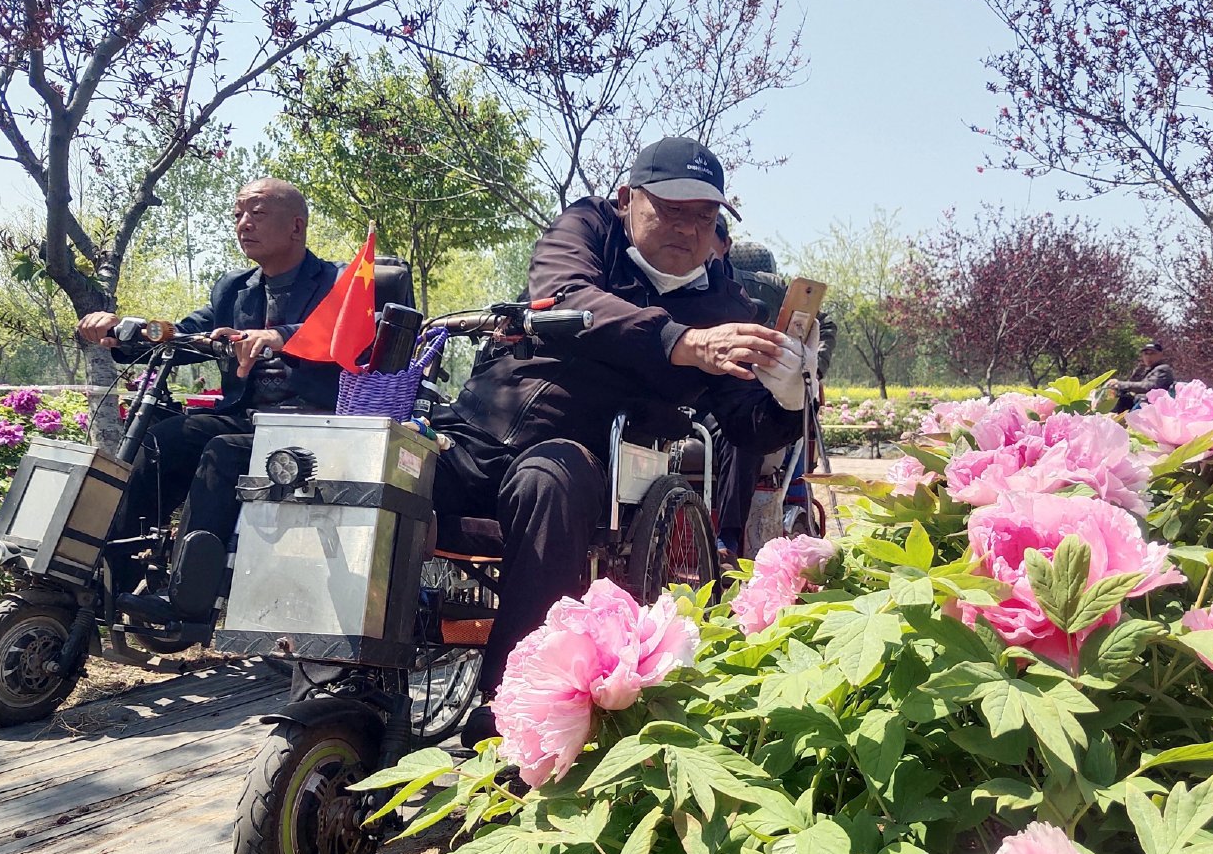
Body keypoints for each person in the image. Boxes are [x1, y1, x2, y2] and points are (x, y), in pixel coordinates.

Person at [432, 136, 812, 744]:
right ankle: (348, 676)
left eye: (705, 216)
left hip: (586, 460)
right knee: (384, 468)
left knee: (548, 480)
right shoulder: (584, 228)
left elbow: (745, 422)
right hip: (483, 427)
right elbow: (567, 296)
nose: (689, 229)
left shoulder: (726, 302)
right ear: (627, 200)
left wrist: (789, 392)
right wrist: (682, 344)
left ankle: (511, 705)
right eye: (672, 209)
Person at [76, 177, 339, 622]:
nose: (243, 223)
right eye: (237, 214)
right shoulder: (233, 288)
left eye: (256, 213)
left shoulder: (338, 281)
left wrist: (279, 336)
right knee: (165, 439)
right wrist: (120, 332)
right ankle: (107, 578)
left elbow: (351, 333)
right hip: (247, 418)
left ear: (296, 226)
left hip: (316, 423)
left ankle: (188, 597)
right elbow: (180, 335)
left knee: (221, 452)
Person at [710, 227, 837, 561]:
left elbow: (824, 321)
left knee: (743, 432)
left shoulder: (764, 287)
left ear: (724, 245)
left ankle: (727, 542)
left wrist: (811, 369)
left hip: (751, 396)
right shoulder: (673, 282)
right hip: (692, 396)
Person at [1110, 341, 1176, 413]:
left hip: (1155, 407)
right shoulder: (1145, 370)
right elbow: (1133, 383)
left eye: (1152, 353)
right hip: (1143, 403)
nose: (1148, 357)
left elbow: (1149, 386)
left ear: (1161, 355)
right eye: (1146, 354)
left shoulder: (1163, 369)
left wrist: (1120, 384)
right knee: (1122, 398)